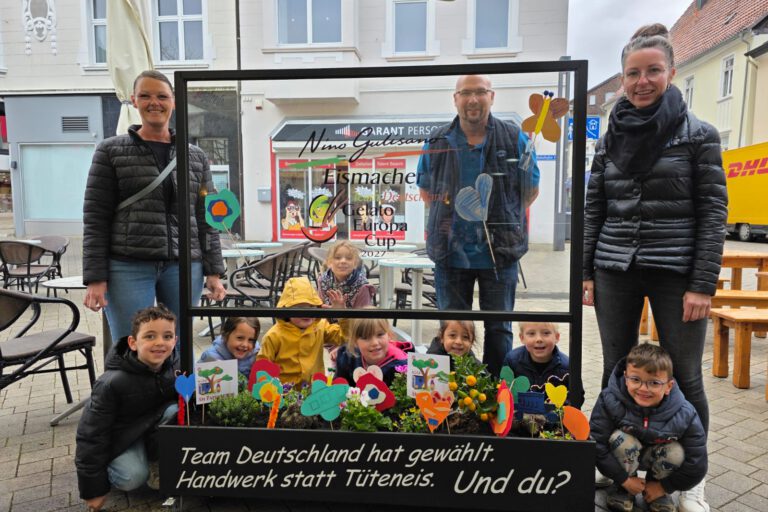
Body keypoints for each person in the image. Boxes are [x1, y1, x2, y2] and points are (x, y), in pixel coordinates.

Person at [582, 24, 726, 511]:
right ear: (622, 78)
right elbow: (594, 209)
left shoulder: (699, 134)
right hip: (614, 267)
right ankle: (615, 471)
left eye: (653, 71)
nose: (642, 82)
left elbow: (713, 213)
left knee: (684, 377)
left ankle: (690, 478)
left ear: (672, 72)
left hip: (677, 273)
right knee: (616, 374)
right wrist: (586, 272)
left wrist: (702, 284)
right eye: (632, 73)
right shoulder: (609, 139)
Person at [82, 70, 227, 343]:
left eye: (162, 96)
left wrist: (214, 272)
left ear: (173, 101)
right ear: (134, 101)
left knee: (179, 344)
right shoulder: (110, 151)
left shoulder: (195, 156)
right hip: (128, 264)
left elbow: (207, 218)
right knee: (131, 344)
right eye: (145, 95)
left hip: (184, 265)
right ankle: (131, 389)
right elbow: (96, 217)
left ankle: (176, 388)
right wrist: (95, 277)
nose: (154, 102)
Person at [417, 74, 540, 376]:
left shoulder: (515, 138)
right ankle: (451, 394)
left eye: (480, 92)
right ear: (455, 98)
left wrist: (501, 216)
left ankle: (495, 394)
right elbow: (426, 191)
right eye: (466, 92)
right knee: (452, 328)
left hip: (499, 254)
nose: (473, 99)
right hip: (450, 252)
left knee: (499, 329)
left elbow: (530, 189)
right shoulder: (437, 141)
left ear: (492, 96)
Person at [75, 305, 180, 511]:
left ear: (175, 340)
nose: (160, 343)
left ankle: (154, 461)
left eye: (167, 336)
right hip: (121, 437)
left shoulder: (176, 366)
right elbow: (91, 435)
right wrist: (93, 488)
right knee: (131, 477)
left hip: (150, 429)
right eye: (150, 336)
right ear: (133, 343)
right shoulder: (111, 383)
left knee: (175, 409)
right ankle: (115, 468)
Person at [590, 344, 707, 512]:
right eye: (635, 379)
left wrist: (665, 486)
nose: (643, 389)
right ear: (625, 377)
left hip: (658, 459)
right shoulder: (609, 400)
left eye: (654, 382)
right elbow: (596, 443)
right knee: (620, 440)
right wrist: (623, 479)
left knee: (676, 452)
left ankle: (657, 492)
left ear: (669, 386)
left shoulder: (684, 413)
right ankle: (623, 488)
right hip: (626, 459)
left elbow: (697, 462)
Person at [256, 277, 347, 385]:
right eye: (300, 307)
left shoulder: (320, 326)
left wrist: (343, 315)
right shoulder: (274, 335)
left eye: (311, 306)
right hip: (283, 394)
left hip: (313, 392)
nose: (306, 312)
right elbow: (263, 366)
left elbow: (344, 337)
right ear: (286, 309)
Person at [335, 317, 414, 386]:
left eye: (380, 334)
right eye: (365, 337)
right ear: (355, 341)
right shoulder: (348, 357)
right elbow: (339, 387)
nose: (374, 343)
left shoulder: (402, 367)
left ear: (389, 335)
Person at [502, 322, 569, 391]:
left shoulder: (567, 366)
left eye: (546, 333)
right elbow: (503, 393)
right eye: (531, 333)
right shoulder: (511, 361)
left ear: (557, 337)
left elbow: (577, 396)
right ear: (522, 338)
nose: (538, 339)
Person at [317, 240, 376, 309]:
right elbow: (320, 309)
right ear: (329, 262)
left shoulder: (362, 287)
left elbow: (364, 318)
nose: (343, 261)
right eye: (337, 258)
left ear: (355, 264)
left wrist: (342, 312)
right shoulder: (323, 280)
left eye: (349, 258)